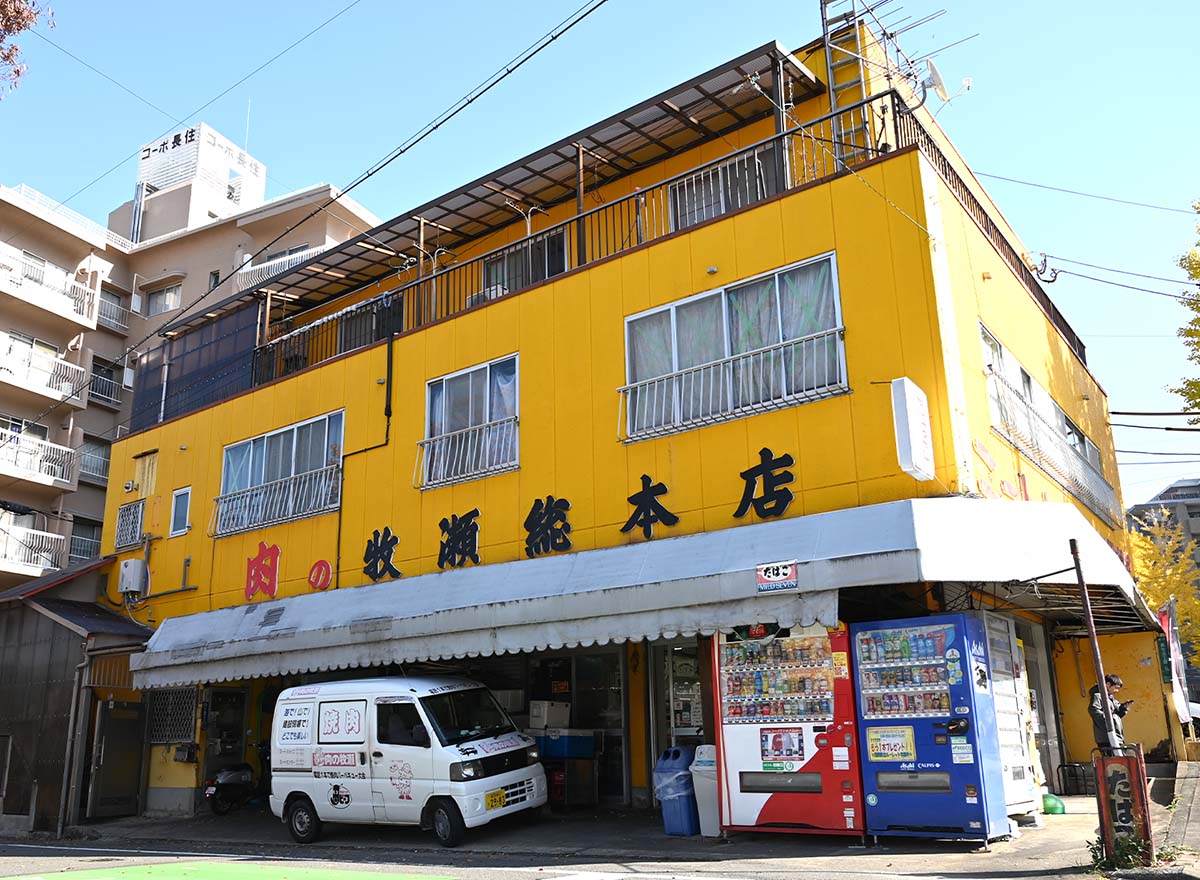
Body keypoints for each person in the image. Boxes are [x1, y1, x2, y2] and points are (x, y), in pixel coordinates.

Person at [1089, 673, 1133, 752]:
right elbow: (1094, 711)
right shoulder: (1098, 696)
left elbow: (1117, 714)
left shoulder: (1110, 697)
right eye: (1115, 688)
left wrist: (1123, 708)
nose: (1117, 691)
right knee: (1111, 761)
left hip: (1115, 735)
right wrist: (1110, 719)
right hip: (1105, 736)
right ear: (1108, 684)